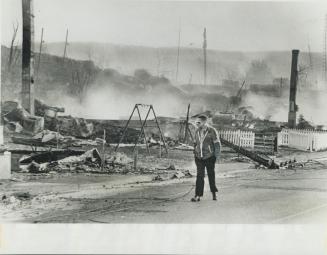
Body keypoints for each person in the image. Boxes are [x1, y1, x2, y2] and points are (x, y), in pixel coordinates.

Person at [191, 115, 221, 202]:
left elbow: (217, 144)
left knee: (211, 175)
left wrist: (216, 156)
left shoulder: (212, 131)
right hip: (199, 157)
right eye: (196, 122)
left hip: (209, 157)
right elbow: (195, 143)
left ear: (204, 122)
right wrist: (195, 152)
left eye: (198, 122)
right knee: (200, 176)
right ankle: (197, 195)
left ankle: (213, 192)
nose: (196, 124)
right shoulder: (197, 131)